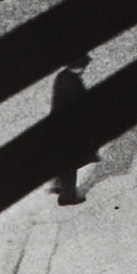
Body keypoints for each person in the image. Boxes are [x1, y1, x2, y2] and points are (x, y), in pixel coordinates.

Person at [49, 52, 97, 205]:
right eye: (83, 67)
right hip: (70, 128)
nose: (84, 70)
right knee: (71, 161)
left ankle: (59, 185)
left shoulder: (62, 76)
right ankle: (67, 196)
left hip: (58, 125)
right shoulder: (73, 82)